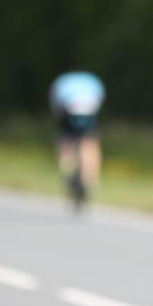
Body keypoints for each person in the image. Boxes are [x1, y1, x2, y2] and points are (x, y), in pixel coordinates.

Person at [48, 71, 105, 205]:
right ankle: (90, 178)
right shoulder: (92, 80)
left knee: (66, 139)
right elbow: (100, 100)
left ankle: (66, 167)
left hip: (69, 107)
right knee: (90, 142)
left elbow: (55, 107)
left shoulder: (62, 81)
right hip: (90, 108)